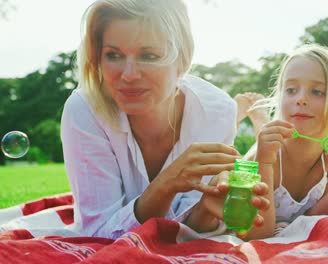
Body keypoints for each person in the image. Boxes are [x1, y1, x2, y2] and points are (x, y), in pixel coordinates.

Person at [60, 0, 269, 239]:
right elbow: (97, 235)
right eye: (113, 55)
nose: (128, 75)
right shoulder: (85, 110)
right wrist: (167, 183)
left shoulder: (218, 112)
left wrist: (207, 209)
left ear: (182, 60)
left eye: (148, 55)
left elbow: (189, 227)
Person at [236, 44, 328, 240]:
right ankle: (255, 119)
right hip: (261, 157)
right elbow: (255, 234)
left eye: (317, 92)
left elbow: (312, 219)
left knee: (268, 133)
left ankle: (261, 119)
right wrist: (264, 161)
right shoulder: (266, 155)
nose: (300, 99)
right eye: (291, 90)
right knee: (256, 141)